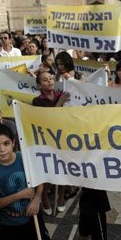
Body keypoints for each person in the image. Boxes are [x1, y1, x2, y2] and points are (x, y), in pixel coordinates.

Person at [0, 124, 54, 240]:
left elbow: (39, 181)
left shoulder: (25, 159)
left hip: (32, 218)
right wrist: (20, 195)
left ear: (13, 143)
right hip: (8, 225)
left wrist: (37, 198)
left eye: (6, 144)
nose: (2, 150)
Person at [32, 70, 70, 215]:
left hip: (64, 138)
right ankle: (45, 198)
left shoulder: (63, 95)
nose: (49, 81)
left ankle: (60, 197)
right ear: (39, 85)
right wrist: (59, 104)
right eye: (45, 79)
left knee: (62, 168)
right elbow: (48, 120)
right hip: (46, 140)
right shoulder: (37, 101)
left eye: (51, 78)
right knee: (47, 169)